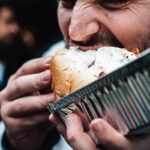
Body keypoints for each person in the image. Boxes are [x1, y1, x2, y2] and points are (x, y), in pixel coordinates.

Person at [0, 0, 150, 149]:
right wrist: (18, 143)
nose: (75, 33)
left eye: (113, 2)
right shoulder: (50, 64)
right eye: (67, 3)